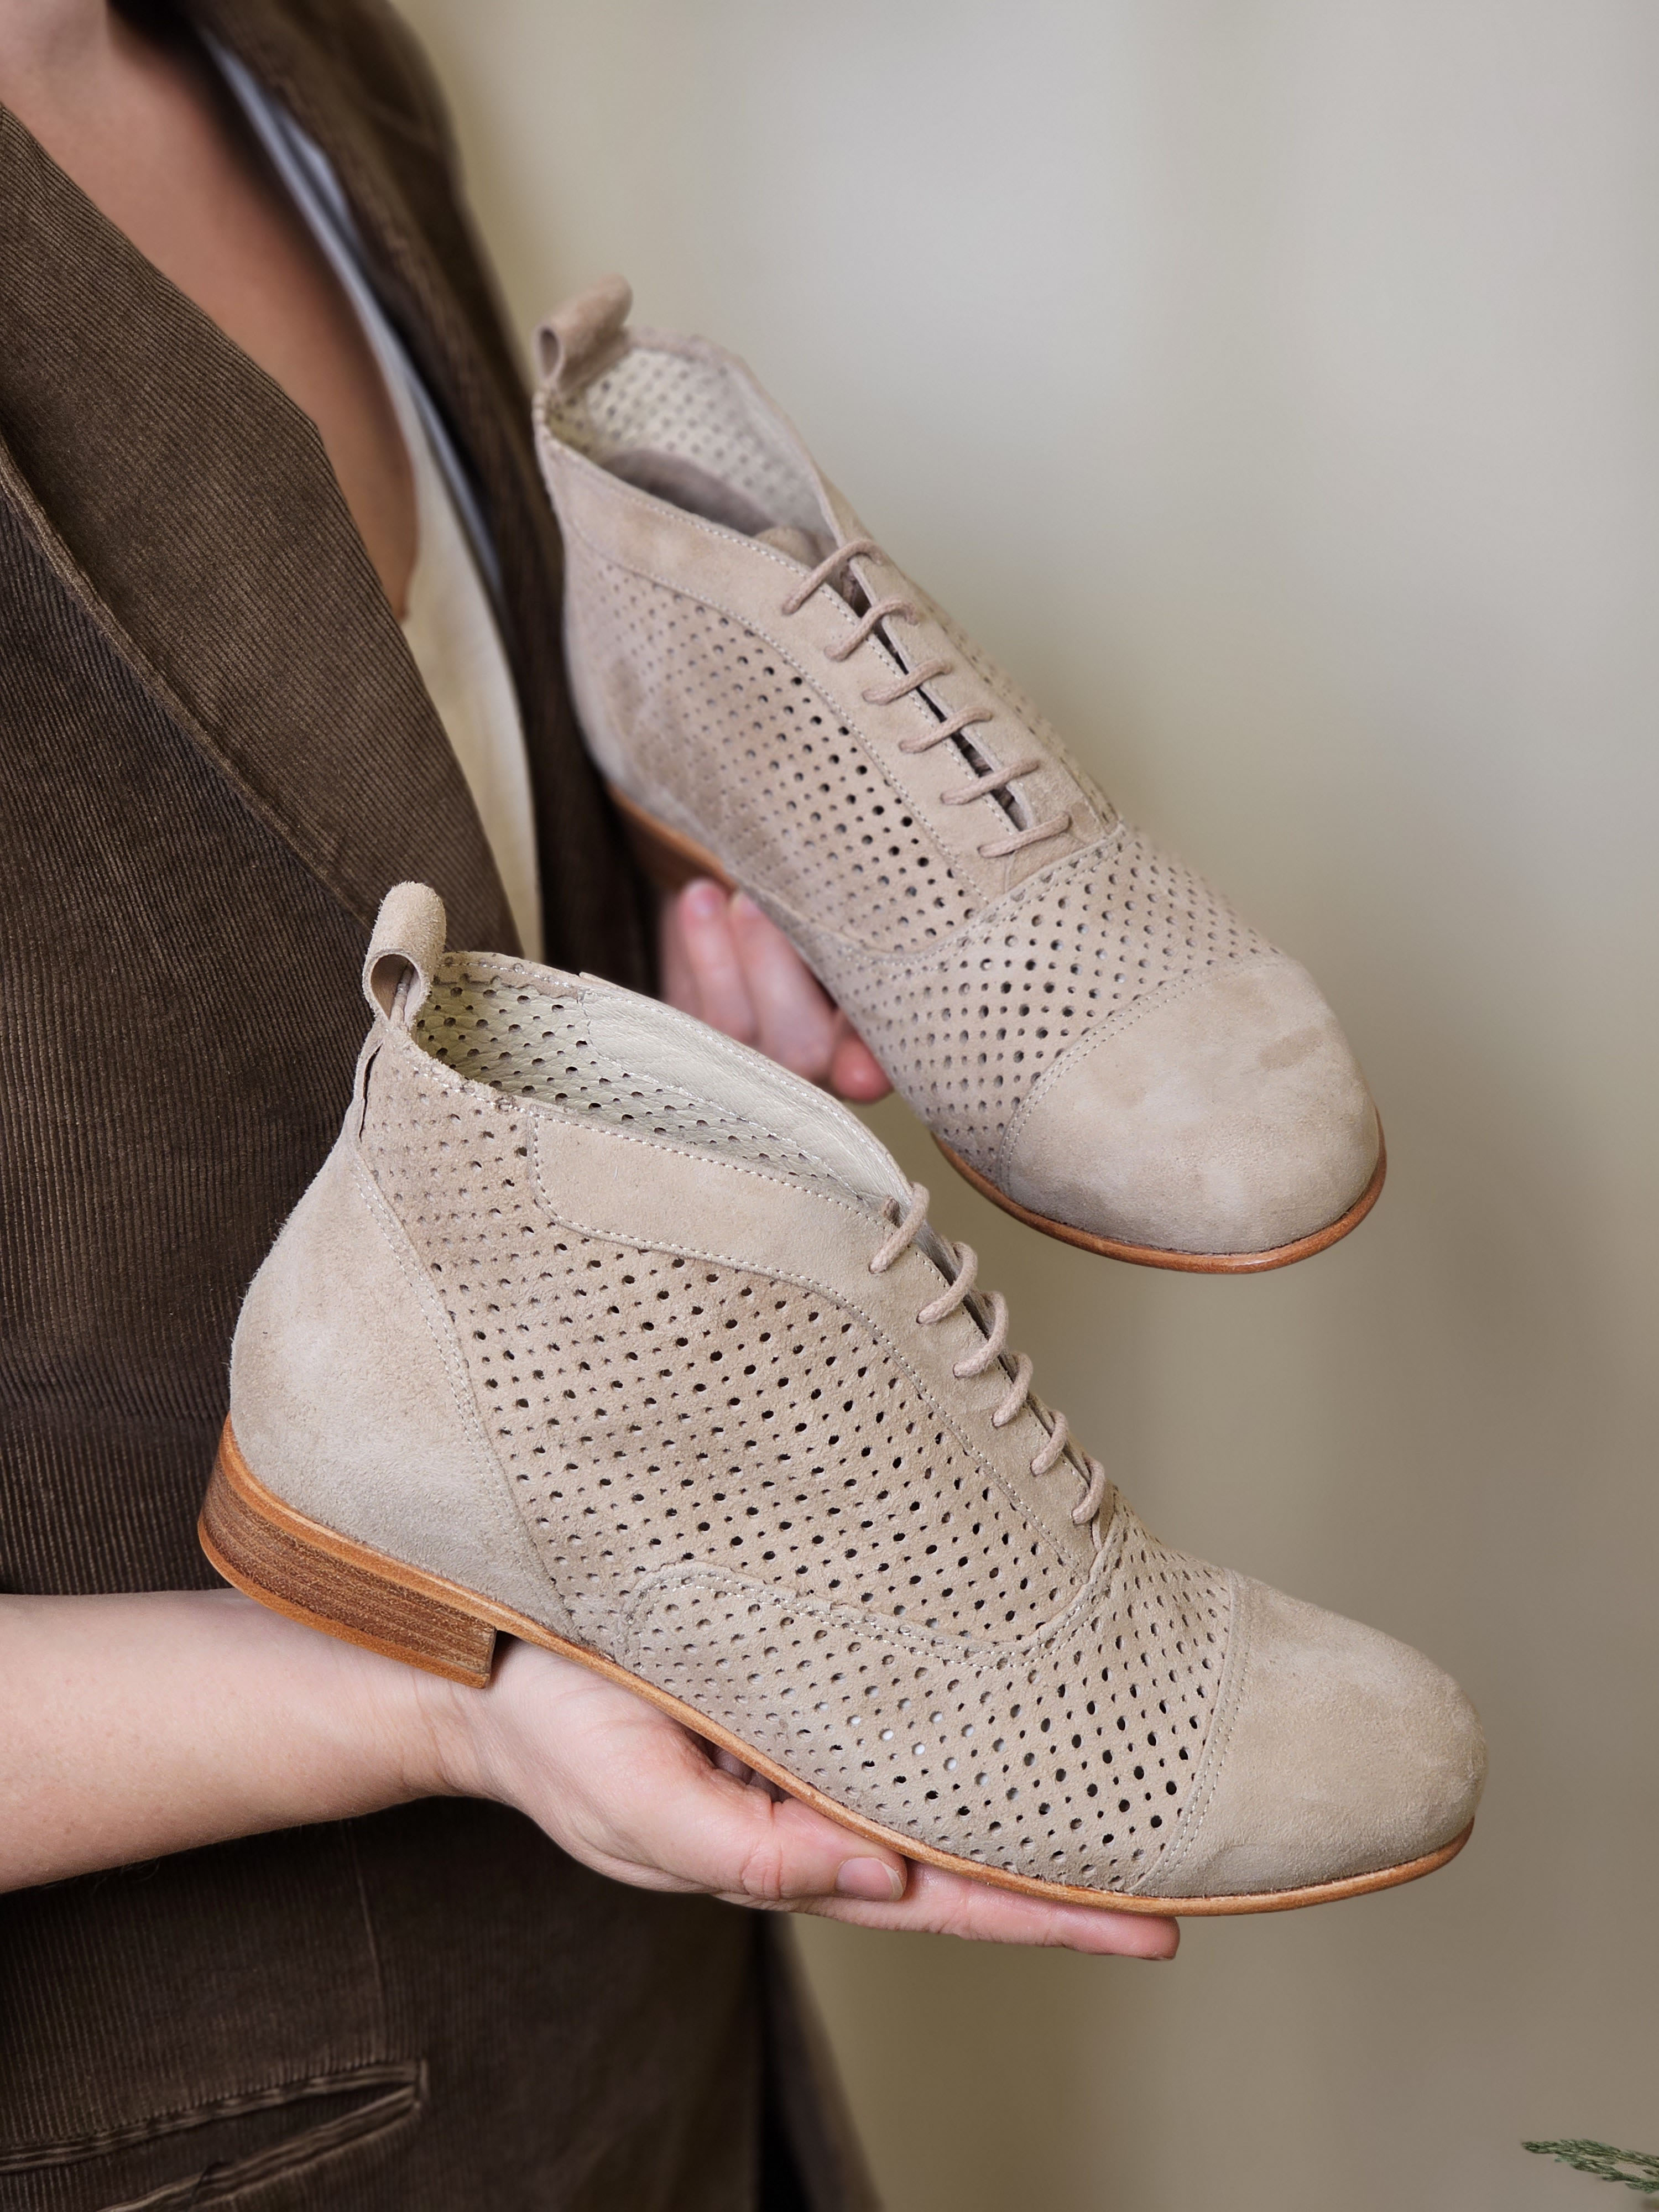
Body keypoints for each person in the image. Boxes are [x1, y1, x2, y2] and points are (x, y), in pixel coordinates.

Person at [0, 2, 1175, 2205]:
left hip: (639, 2035)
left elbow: (312, 892)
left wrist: (665, 934)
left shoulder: (304, 59)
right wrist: (442, 1691)